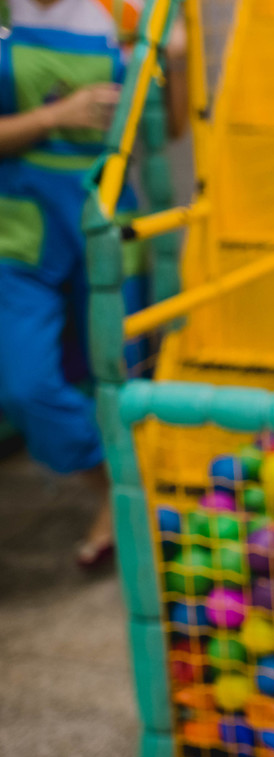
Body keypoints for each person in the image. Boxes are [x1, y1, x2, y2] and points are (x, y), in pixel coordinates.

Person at [0, 0, 186, 566]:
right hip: (19, 232)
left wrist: (174, 59)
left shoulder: (122, 13)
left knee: (116, 382)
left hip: (105, 227)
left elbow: (171, 127)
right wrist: (55, 117)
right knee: (24, 386)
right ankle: (122, 488)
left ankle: (122, 503)